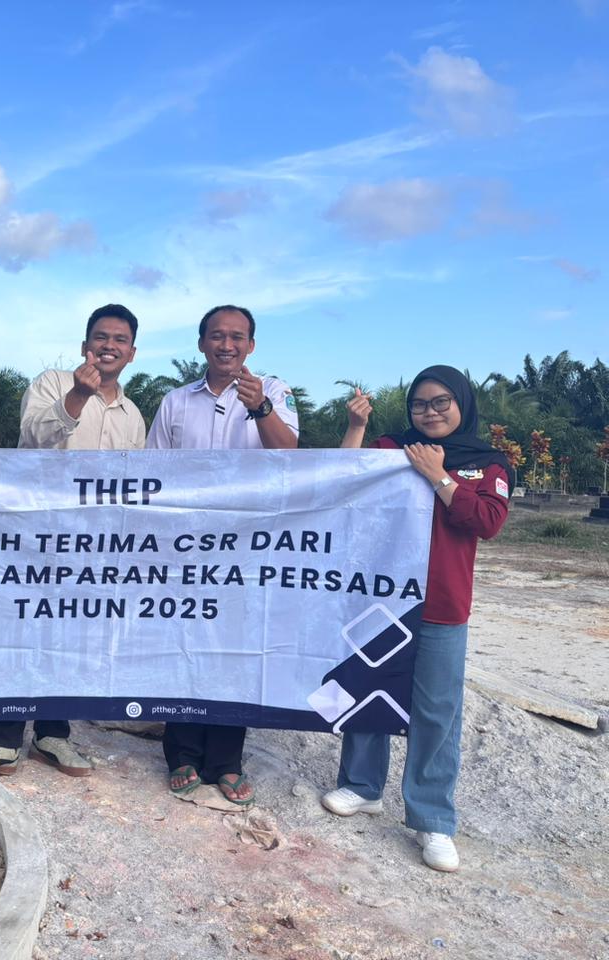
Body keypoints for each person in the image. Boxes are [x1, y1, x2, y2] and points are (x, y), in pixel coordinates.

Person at [320, 366, 511, 872]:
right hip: (382, 601)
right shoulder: (392, 448)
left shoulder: (488, 462)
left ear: (462, 404)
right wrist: (356, 427)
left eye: (441, 402)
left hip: (444, 605)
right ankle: (362, 786)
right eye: (420, 404)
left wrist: (438, 476)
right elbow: (345, 482)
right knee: (368, 690)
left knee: (436, 710)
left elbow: (487, 521)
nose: (430, 412)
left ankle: (432, 817)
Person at [0, 304, 146, 778]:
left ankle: (52, 735)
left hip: (95, 548)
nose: (109, 345)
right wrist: (78, 397)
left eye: (120, 340)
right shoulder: (52, 383)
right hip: (35, 537)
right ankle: (2, 739)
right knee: (21, 629)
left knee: (70, 637)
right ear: (86, 344)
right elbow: (32, 440)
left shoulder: (133, 415)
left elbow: (135, 485)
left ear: (132, 353)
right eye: (101, 336)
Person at [146, 304, 299, 806]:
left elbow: (289, 458)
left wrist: (261, 410)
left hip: (247, 546)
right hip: (185, 546)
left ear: (251, 345)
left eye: (237, 337)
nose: (226, 345)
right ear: (201, 343)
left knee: (235, 649)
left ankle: (227, 761)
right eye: (217, 335)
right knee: (184, 644)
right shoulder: (175, 401)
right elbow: (153, 472)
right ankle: (182, 754)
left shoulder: (272, 391)